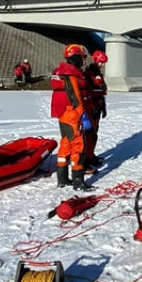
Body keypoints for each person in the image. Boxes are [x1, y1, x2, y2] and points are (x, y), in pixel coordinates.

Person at [50, 44, 92, 190]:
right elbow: (74, 95)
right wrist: (82, 113)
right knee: (78, 146)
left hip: (63, 113)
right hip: (72, 113)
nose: (83, 61)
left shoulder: (61, 71)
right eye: (81, 58)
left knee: (66, 143)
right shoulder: (70, 73)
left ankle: (62, 178)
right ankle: (78, 182)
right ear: (76, 57)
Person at [84, 50, 109, 170]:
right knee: (90, 134)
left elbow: (101, 92)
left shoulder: (98, 74)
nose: (102, 65)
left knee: (95, 133)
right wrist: (92, 107)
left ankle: (91, 154)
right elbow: (88, 92)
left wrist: (103, 106)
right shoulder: (89, 74)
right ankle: (86, 159)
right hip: (92, 107)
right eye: (101, 62)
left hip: (98, 105)